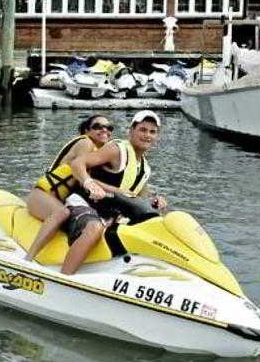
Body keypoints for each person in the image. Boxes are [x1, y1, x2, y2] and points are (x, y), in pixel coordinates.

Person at [61, 110, 167, 275]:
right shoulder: (117, 150)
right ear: (131, 131)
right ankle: (64, 277)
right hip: (83, 204)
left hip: (108, 214)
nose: (147, 135)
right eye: (143, 130)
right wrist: (88, 182)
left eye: (152, 132)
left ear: (157, 137)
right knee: (94, 228)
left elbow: (137, 196)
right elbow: (78, 163)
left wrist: (155, 200)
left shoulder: (145, 168)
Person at [24, 115, 115, 261]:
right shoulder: (85, 143)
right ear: (87, 130)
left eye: (109, 127)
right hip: (41, 194)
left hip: (55, 199)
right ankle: (28, 258)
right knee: (63, 212)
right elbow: (84, 179)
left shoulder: (98, 154)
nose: (104, 130)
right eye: (98, 127)